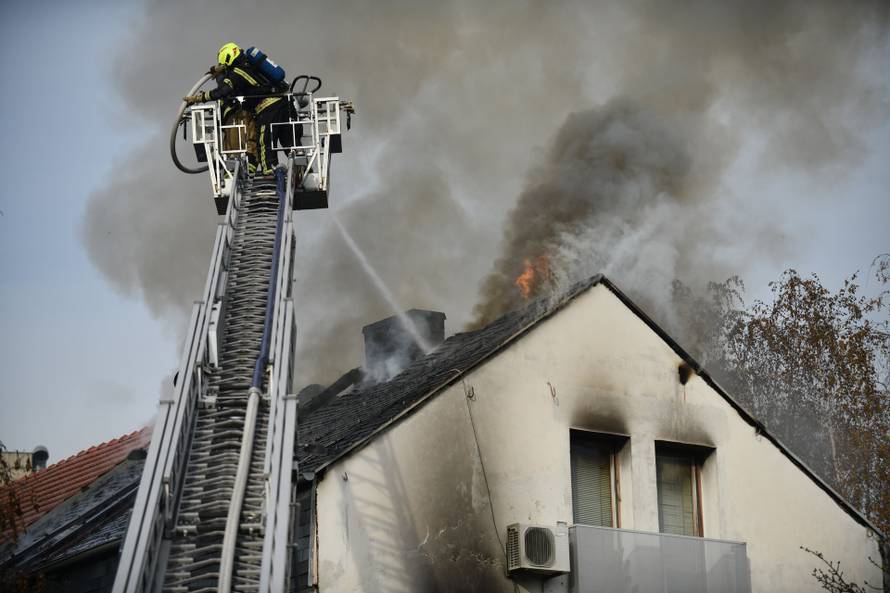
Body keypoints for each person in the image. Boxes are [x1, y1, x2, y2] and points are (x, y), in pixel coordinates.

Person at [184, 43, 271, 175]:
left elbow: (222, 91)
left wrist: (198, 98)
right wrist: (217, 70)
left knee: (243, 143)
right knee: (237, 146)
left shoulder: (237, 73)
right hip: (237, 114)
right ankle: (234, 171)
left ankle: (240, 171)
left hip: (241, 113)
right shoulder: (243, 68)